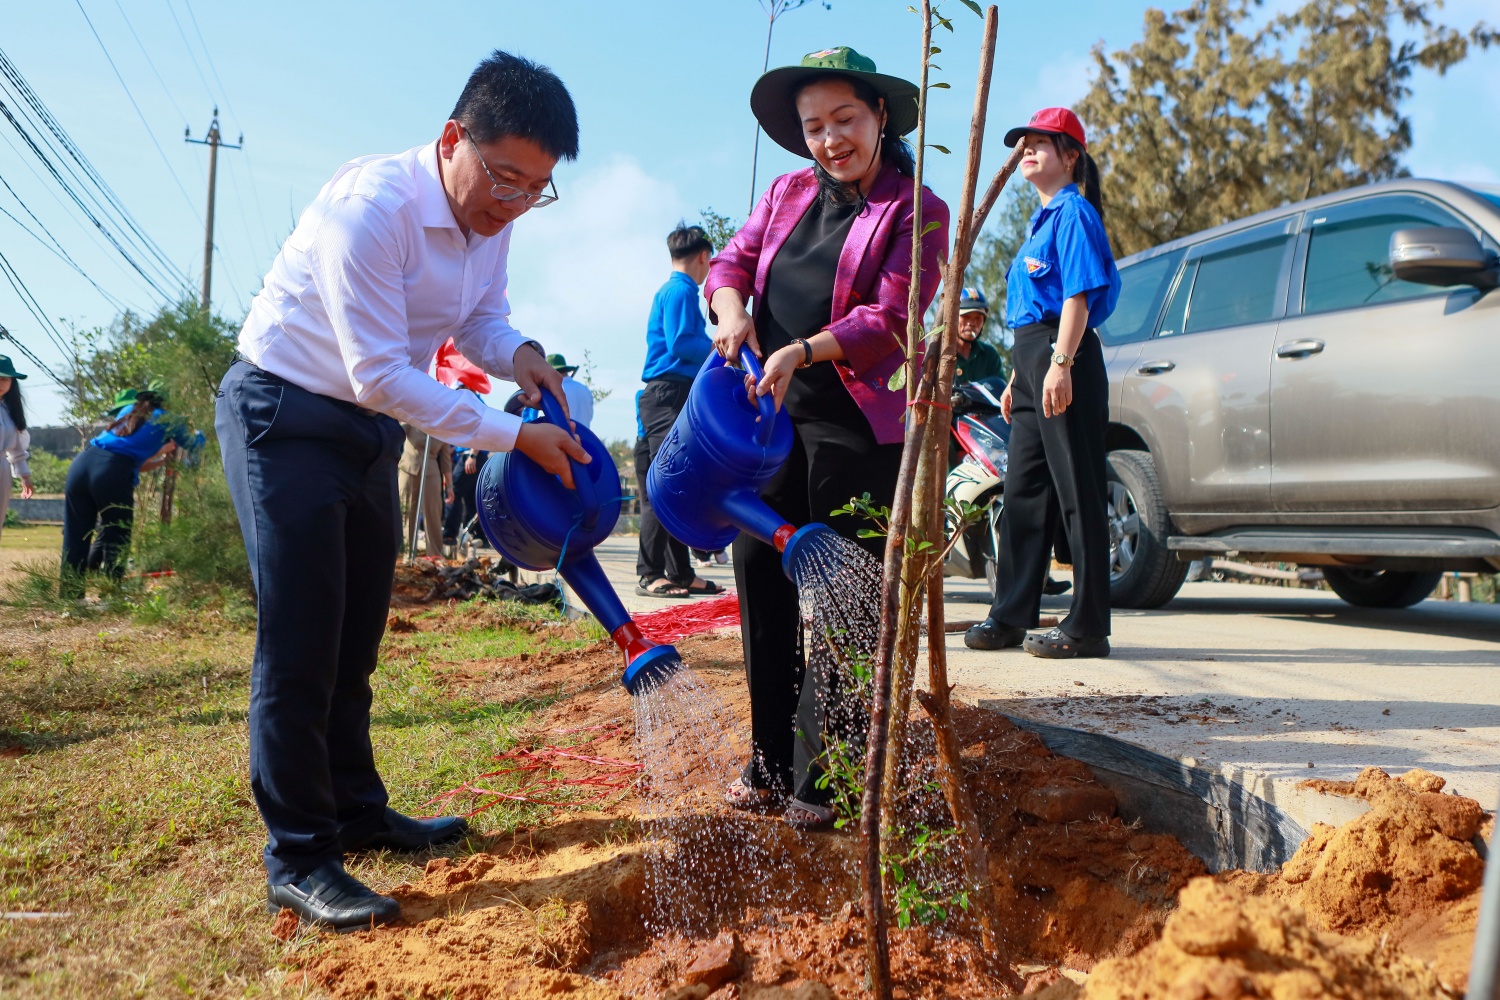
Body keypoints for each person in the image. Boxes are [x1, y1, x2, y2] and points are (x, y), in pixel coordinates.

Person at [216, 51, 588, 931]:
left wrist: (522, 355)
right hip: (285, 414)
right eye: (504, 177)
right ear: (452, 138)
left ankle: (355, 809)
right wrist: (510, 433)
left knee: (356, 636)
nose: (513, 203)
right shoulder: (369, 210)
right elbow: (379, 371)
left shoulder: (494, 215)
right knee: (302, 641)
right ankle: (301, 857)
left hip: (362, 432)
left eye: (536, 188)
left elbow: (478, 320)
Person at [709, 46, 948, 828]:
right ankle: (771, 764)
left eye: (845, 119)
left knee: (844, 600)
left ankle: (829, 778)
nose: (830, 138)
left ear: (880, 116)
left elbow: (889, 318)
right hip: (767, 424)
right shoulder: (783, 194)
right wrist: (732, 309)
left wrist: (804, 349)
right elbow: (730, 261)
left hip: (850, 425)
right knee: (761, 581)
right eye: (814, 126)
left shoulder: (917, 209)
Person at [964, 107, 1120, 659]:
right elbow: (1030, 310)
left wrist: (1060, 363)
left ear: (1070, 155)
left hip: (1065, 354)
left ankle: (1088, 627)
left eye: (1040, 144)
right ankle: (1011, 614)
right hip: (1032, 361)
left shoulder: (1074, 213)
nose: (1027, 151)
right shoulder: (1043, 220)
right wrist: (1016, 378)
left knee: (1077, 489)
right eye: (1023, 144)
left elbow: (1075, 298)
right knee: (1023, 491)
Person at [635, 223, 723, 599]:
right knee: (665, 484)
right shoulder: (682, 290)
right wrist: (722, 348)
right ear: (704, 257)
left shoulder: (674, 289)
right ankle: (649, 572)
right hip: (668, 393)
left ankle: (680, 573)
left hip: (670, 394)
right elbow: (683, 342)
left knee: (672, 484)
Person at [60, 385, 195, 595]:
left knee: (76, 533)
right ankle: (111, 593)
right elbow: (194, 444)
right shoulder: (169, 419)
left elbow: (129, 458)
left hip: (82, 463)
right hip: (111, 471)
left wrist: (160, 459)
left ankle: (69, 596)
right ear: (168, 402)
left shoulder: (129, 412)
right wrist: (202, 432)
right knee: (118, 532)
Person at [399, 424, 452, 559]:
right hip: (408, 470)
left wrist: (450, 486)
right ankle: (407, 553)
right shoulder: (411, 419)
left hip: (431, 471)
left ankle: (435, 555)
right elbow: (396, 433)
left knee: (433, 514)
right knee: (407, 513)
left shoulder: (443, 428)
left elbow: (446, 461)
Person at [0, 355, 33, 542]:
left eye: (5, 379)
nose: (1, 383)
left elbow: (18, 449)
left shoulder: (10, 410)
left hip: (2, 469)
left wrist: (25, 477)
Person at [952, 287, 1005, 388]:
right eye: (966, 316)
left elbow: (1002, 392)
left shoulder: (989, 355)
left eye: (978, 318)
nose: (972, 323)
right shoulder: (940, 353)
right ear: (952, 318)